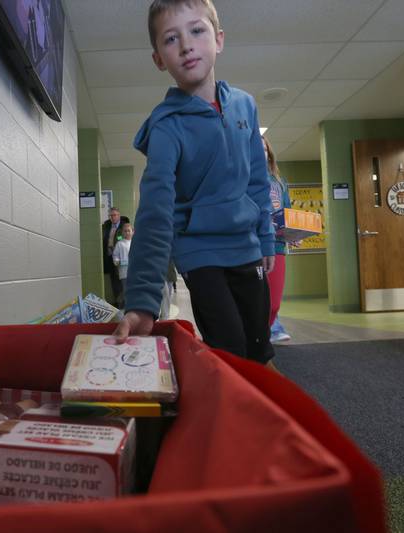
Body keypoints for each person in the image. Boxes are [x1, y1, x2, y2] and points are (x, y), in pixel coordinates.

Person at [113, 0, 276, 365]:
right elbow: (155, 215)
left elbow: (256, 179)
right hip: (200, 252)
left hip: (247, 246)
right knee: (230, 351)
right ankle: (229, 413)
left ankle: (261, 412)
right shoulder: (165, 128)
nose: (186, 45)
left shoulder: (245, 106)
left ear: (218, 40)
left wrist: (265, 237)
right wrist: (141, 300)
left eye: (197, 31)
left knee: (258, 347)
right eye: (171, 38)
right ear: (159, 59)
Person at [263, 136, 294, 343]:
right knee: (256, 300)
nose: (262, 153)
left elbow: (287, 213)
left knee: (273, 304)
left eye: (265, 149)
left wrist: (294, 233)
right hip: (252, 247)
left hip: (277, 246)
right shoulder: (242, 177)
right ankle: (259, 339)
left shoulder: (280, 182)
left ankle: (266, 332)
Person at [102, 207, 130, 306]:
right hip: (109, 257)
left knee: (122, 281)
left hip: (121, 257)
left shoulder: (124, 226)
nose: (113, 217)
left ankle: (124, 302)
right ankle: (118, 302)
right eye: (111, 215)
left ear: (119, 215)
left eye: (115, 215)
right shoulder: (106, 226)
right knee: (113, 281)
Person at [111, 222, 134, 308]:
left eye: (129, 231)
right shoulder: (120, 244)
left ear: (133, 232)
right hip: (124, 272)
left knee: (134, 290)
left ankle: (134, 306)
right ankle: (128, 307)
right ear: (122, 232)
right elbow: (115, 255)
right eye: (125, 231)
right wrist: (116, 261)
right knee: (126, 290)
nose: (127, 233)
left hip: (135, 271)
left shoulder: (136, 243)